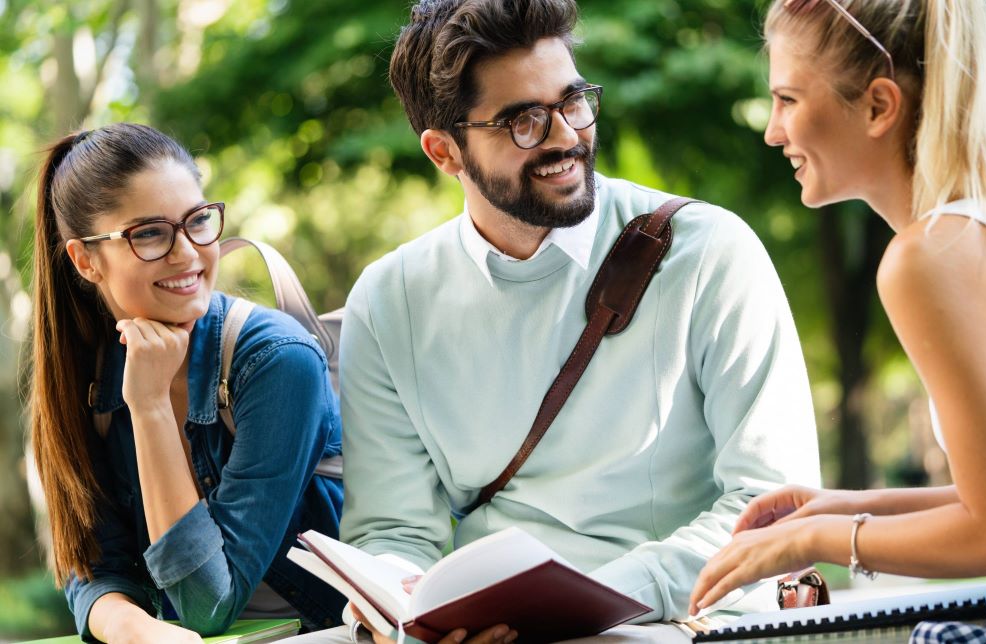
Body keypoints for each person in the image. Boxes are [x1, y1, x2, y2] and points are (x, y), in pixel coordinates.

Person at [293, 0, 821, 641]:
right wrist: (403, 608)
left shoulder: (708, 251)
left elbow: (774, 505)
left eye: (574, 102)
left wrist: (592, 600)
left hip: (684, 618)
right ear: (444, 152)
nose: (566, 136)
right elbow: (394, 530)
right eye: (524, 122)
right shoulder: (388, 300)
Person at [688, 0, 986, 641]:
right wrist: (850, 505)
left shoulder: (929, 259)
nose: (772, 131)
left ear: (877, 106)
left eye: (788, 99)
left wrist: (819, 537)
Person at [30, 123, 345, 643]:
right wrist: (131, 628)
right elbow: (92, 564)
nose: (187, 253)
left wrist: (150, 406)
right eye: (150, 233)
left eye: (197, 220)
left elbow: (208, 604)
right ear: (86, 260)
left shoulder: (276, 360)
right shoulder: (85, 376)